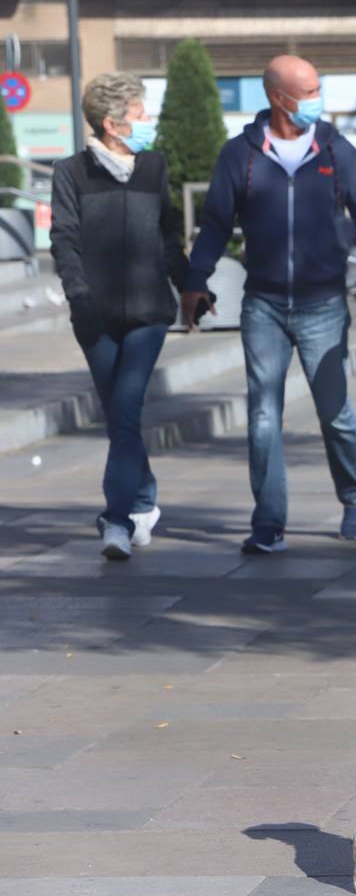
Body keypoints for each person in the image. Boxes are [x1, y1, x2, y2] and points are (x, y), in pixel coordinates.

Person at [181, 54, 356, 554]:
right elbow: (216, 222)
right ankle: (269, 522)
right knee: (262, 416)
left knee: (335, 413)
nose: (316, 100)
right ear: (279, 99)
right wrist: (196, 279)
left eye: (317, 88)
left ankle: (354, 497)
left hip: (323, 303)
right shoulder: (239, 154)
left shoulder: (335, 150)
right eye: (308, 91)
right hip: (262, 304)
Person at [50, 72, 187, 560]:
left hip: (150, 314)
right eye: (139, 112)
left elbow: (169, 234)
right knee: (120, 419)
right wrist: (79, 299)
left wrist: (190, 286)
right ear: (112, 123)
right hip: (96, 317)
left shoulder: (154, 167)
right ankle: (144, 497)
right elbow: (63, 240)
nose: (147, 120)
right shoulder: (71, 173)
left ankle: (116, 521)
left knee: (126, 411)